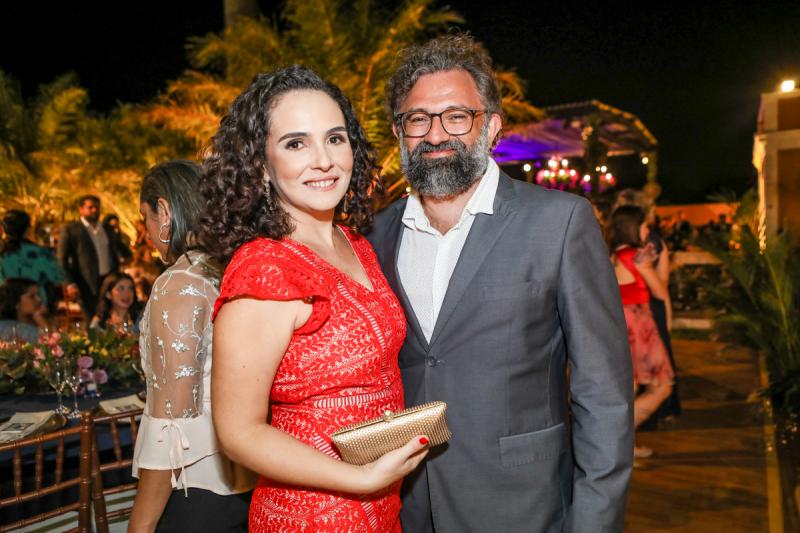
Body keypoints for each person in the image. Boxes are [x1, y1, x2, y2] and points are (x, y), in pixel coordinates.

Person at [367, 35, 633, 532]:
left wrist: (594, 522)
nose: (435, 134)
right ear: (399, 132)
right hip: (407, 504)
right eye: (418, 119)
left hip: (524, 505)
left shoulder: (560, 222)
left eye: (456, 116)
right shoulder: (376, 235)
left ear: (490, 127)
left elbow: (603, 393)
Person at [201, 65, 429, 532]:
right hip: (310, 514)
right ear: (260, 165)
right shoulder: (264, 268)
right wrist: (359, 479)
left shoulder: (356, 244)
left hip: (383, 503)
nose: (324, 160)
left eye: (335, 138)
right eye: (296, 143)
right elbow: (239, 432)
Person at [129, 160, 256, 533]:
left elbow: (173, 423)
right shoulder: (231, 271)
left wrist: (141, 523)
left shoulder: (179, 282)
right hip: (242, 478)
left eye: (146, 218)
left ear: (164, 211)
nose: (146, 233)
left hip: (192, 486)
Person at [606, 205, 674, 456]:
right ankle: (618, 439)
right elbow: (661, 292)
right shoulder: (637, 256)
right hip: (638, 322)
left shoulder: (611, 255)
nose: (648, 231)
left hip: (618, 323)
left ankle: (624, 446)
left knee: (629, 387)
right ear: (633, 227)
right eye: (645, 226)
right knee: (663, 385)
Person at [57, 195, 118, 317]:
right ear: (81, 209)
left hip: (108, 281)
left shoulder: (106, 229)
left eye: (97, 207)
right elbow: (61, 259)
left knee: (110, 317)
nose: (94, 210)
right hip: (85, 284)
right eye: (90, 207)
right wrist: (69, 283)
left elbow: (114, 252)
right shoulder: (71, 230)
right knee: (91, 319)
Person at [0, 210, 62, 310]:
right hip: (37, 305)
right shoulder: (40, 253)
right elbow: (56, 279)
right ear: (27, 229)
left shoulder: (3, 253)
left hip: (7, 306)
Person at [0, 278, 48, 344]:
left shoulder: (38, 322)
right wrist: (42, 323)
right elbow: (50, 344)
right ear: (15, 301)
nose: (39, 300)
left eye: (38, 295)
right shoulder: (6, 328)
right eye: (32, 296)